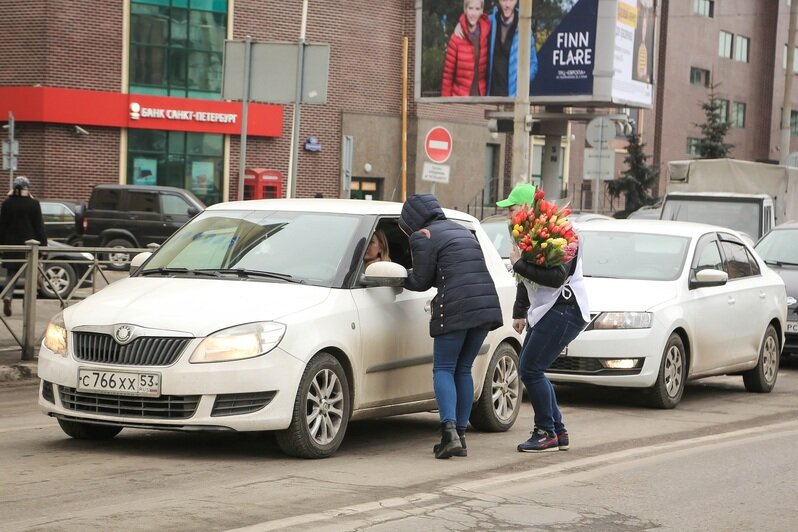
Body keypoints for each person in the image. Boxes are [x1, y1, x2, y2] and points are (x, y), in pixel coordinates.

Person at [399, 194, 503, 459]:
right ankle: (460, 435)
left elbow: (421, 281)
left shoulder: (423, 236)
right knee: (464, 368)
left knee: (444, 368)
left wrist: (401, 276)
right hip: (485, 305)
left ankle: (448, 434)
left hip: (456, 306)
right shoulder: (461, 230)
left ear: (411, 218)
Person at [496, 184, 589, 452]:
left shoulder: (564, 233)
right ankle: (557, 431)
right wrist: (519, 311)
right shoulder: (527, 234)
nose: (507, 216)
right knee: (534, 369)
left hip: (565, 309)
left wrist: (519, 264)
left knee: (530, 369)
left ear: (527, 208)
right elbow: (524, 279)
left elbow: (557, 276)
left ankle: (546, 431)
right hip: (547, 310)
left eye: (511, 209)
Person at [455, 0, 539, 96]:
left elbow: (533, 64)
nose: (507, 5)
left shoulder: (524, 27)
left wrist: (520, 83)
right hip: (491, 96)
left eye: (511, 0)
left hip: (513, 98)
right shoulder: (489, 21)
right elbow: (470, 23)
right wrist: (460, 25)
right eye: (504, 0)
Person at [0, 176, 48, 317]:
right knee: (30, 276)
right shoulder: (33, 204)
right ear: (27, 188)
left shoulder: (7, 204)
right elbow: (39, 226)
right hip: (29, 246)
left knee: (11, 273)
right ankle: (26, 304)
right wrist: (43, 246)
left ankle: (8, 296)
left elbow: (2, 226)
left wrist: (1, 245)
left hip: (11, 246)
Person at [440, 0, 491, 97]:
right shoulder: (456, 39)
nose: (473, 13)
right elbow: (448, 76)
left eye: (477, 9)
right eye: (470, 8)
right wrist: (445, 105)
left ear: (481, 11)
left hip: (481, 98)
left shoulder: (487, 32)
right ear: (465, 10)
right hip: (459, 99)